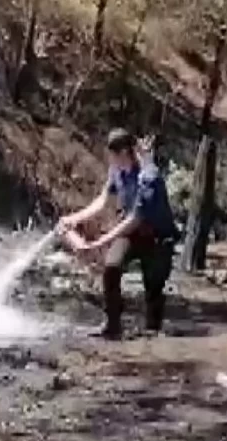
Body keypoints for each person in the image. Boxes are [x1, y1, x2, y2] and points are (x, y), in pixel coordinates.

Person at [57, 128, 179, 339]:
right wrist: (74, 218)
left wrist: (99, 242)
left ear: (124, 152)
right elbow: (103, 201)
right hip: (129, 232)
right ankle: (112, 324)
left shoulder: (149, 176)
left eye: (112, 155)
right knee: (112, 267)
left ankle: (153, 330)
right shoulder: (116, 171)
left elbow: (136, 218)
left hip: (157, 237)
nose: (109, 159)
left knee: (154, 286)